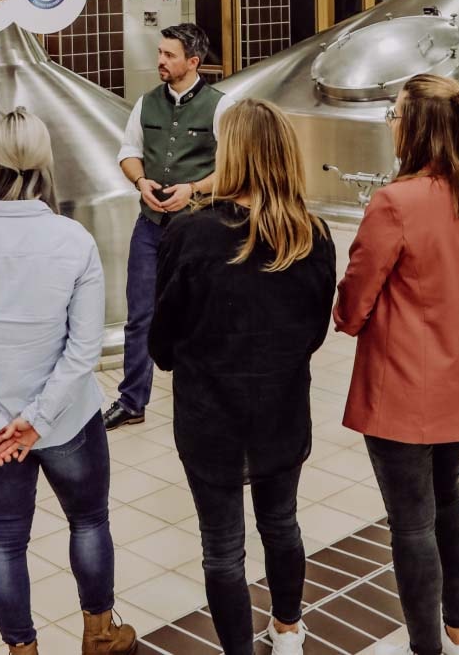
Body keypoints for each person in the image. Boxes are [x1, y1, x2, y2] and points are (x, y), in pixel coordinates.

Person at [0, 108, 136, 655]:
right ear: (46, 164)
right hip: (67, 420)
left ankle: (23, 651)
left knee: (4, 537)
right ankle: (99, 635)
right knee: (88, 522)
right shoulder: (74, 241)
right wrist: (38, 420)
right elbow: (83, 348)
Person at [149, 99, 336, 655]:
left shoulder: (192, 235)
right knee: (282, 525)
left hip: (210, 420)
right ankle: (288, 632)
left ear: (230, 155)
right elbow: (313, 332)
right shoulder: (313, 235)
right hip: (282, 411)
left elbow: (162, 341)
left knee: (222, 548)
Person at [334, 75, 459, 655]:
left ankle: (425, 648)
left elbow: (355, 302)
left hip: (404, 391)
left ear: (415, 127)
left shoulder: (395, 202)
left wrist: (349, 315)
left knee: (412, 524)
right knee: (449, 503)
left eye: (395, 115)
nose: (391, 125)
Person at [104, 22, 234, 430]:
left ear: (193, 62)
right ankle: (131, 401)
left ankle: (208, 401)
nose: (160, 61)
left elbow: (232, 167)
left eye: (169, 55)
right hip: (151, 225)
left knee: (202, 316)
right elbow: (128, 151)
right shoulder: (146, 103)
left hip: (199, 229)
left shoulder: (221, 107)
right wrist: (140, 181)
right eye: (160, 53)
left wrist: (193, 189)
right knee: (140, 313)